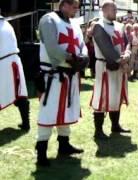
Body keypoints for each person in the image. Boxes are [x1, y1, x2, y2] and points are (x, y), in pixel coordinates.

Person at [36, 0, 88, 166]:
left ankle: (64, 145)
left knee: (66, 111)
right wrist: (71, 58)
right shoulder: (49, 19)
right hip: (53, 76)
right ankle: (41, 151)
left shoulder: (74, 23)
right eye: (74, 6)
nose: (76, 10)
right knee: (49, 112)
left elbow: (82, 45)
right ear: (63, 4)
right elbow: (52, 47)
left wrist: (84, 58)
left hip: (70, 76)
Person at [90, 1, 131, 139]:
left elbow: (127, 43)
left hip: (119, 67)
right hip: (104, 67)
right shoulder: (98, 26)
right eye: (113, 9)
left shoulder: (120, 26)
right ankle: (98, 130)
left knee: (116, 95)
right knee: (102, 96)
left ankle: (115, 125)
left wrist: (127, 54)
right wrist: (122, 62)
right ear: (105, 10)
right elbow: (106, 48)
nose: (116, 12)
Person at [0, 13, 30, 131]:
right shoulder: (7, 24)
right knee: (19, 93)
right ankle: (26, 123)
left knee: (18, 93)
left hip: (3, 62)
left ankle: (26, 123)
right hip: (14, 60)